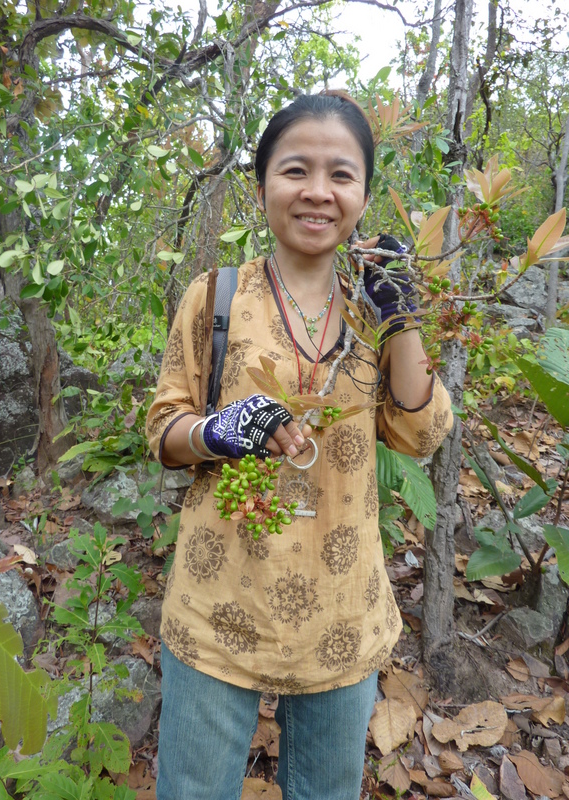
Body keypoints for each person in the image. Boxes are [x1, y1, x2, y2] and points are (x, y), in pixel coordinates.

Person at [146, 91, 453, 800]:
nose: (318, 192)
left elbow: (419, 432)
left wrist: (400, 314)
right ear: (262, 188)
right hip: (218, 604)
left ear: (363, 193)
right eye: (295, 171)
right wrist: (216, 433)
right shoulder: (215, 295)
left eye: (341, 174)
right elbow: (164, 430)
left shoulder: (373, 306)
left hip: (341, 615)